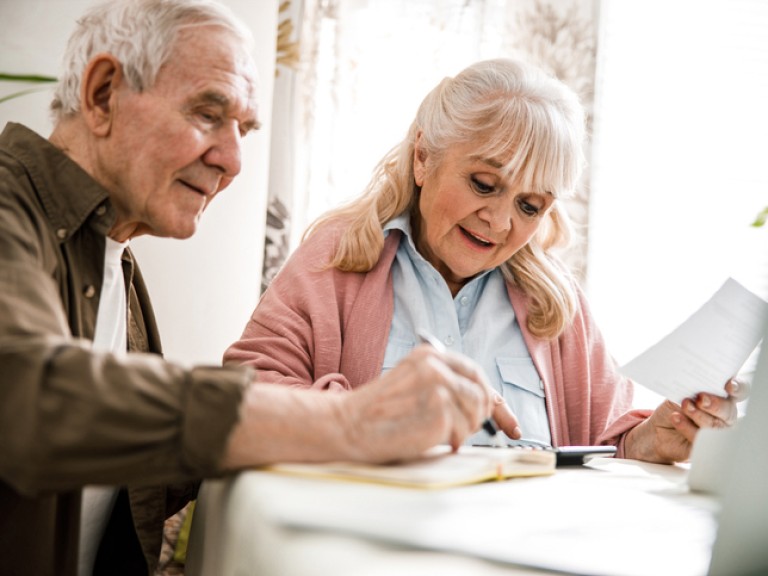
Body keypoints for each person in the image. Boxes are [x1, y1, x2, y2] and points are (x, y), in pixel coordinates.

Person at [0, 2, 497, 575]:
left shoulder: (113, 261)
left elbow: (138, 476)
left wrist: (358, 409)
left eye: (243, 129)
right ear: (104, 94)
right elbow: (33, 398)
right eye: (208, 114)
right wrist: (351, 422)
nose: (232, 159)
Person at [224, 57, 745, 466]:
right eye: (484, 184)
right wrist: (363, 414)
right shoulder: (337, 258)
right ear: (423, 157)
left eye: (528, 206)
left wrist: (654, 438)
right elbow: (242, 396)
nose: (498, 223)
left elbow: (604, 442)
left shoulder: (556, 304)